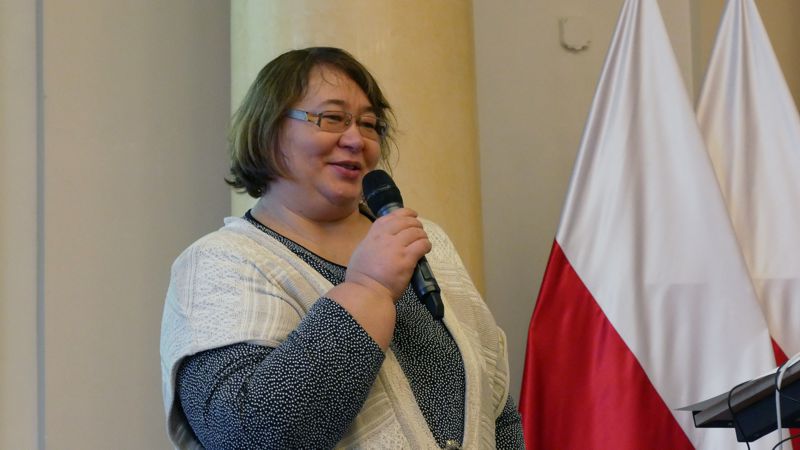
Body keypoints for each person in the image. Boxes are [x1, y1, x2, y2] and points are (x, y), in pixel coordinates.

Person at [160, 47, 524, 449]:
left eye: (368, 124)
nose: (355, 140)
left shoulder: (425, 241)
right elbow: (245, 435)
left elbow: (496, 408)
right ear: (269, 131)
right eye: (332, 118)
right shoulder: (220, 262)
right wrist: (369, 289)